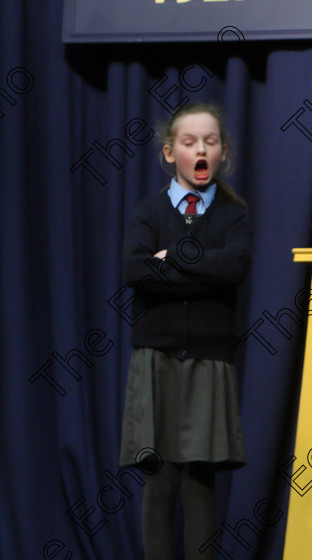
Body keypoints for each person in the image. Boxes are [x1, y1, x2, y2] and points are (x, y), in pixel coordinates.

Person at [119, 103, 251, 559]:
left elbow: (233, 267)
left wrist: (172, 255)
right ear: (170, 152)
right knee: (160, 481)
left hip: (208, 361)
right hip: (155, 358)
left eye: (210, 142)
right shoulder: (147, 212)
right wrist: (200, 269)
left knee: (199, 482)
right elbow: (135, 270)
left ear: (222, 154)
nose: (201, 150)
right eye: (190, 141)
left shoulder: (233, 217)